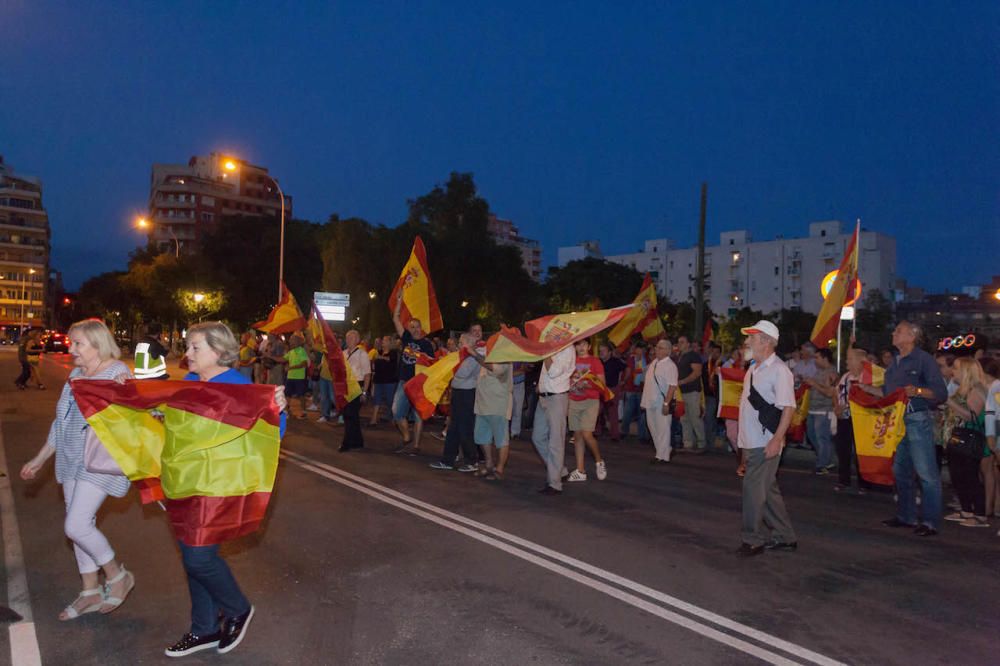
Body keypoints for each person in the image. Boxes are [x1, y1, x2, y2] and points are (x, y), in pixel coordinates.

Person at [160, 321, 287, 656]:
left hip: (218, 487)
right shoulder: (189, 382)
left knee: (199, 558)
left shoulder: (237, 385)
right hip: (187, 482)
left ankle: (237, 608)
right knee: (191, 556)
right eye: (188, 347)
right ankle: (204, 629)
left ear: (217, 351)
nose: (187, 354)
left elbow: (272, 434)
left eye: (195, 347)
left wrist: (278, 409)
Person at [20, 319, 135, 620]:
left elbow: (134, 411)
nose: (72, 350)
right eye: (72, 343)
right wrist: (40, 458)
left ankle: (117, 575)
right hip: (70, 457)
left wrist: (129, 395)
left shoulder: (117, 372)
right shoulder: (75, 375)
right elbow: (62, 421)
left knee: (76, 525)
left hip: (99, 459)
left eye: (78, 344)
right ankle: (89, 591)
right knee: (80, 525)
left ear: (97, 344)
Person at [735, 320, 797, 557]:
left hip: (765, 442)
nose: (747, 341)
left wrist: (776, 440)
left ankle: (752, 539)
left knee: (753, 490)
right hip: (753, 441)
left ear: (766, 342)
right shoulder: (753, 369)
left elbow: (788, 408)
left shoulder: (779, 370)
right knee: (766, 490)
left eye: (752, 337)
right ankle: (785, 536)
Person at [881, 321, 948, 537]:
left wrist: (917, 390)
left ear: (912, 336)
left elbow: (941, 393)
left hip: (917, 419)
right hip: (898, 421)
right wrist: (866, 390)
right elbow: (887, 394)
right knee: (900, 472)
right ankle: (906, 515)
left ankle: (929, 521)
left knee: (926, 473)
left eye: (898, 331)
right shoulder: (894, 364)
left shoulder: (923, 360)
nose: (893, 333)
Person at [943, 357, 989, 528]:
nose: (952, 371)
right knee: (958, 476)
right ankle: (966, 510)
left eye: (955, 367)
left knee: (970, 476)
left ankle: (979, 515)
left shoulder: (976, 390)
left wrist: (949, 402)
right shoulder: (961, 390)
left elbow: (971, 416)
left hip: (970, 438)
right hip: (959, 437)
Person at [431, 333, 481, 471]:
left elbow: (461, 373)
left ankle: (471, 461)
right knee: (454, 428)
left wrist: (448, 363)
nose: (458, 345)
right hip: (459, 393)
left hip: (467, 394)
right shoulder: (461, 356)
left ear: (469, 344)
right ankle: (448, 460)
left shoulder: (473, 357)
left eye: (461, 343)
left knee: (465, 428)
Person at [391, 296, 435, 454]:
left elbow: (431, 364)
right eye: (412, 327)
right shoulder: (406, 338)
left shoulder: (427, 344)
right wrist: (399, 302)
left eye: (417, 326)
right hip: (404, 382)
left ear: (421, 327)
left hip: (419, 384)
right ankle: (406, 437)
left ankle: (415, 446)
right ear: (409, 329)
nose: (415, 329)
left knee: (418, 415)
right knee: (396, 412)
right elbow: (395, 318)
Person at [833, 348, 879, 493]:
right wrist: (837, 407)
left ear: (861, 361)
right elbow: (836, 392)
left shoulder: (870, 378)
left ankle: (864, 483)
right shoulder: (846, 377)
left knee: (861, 452)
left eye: (850, 359)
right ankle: (843, 480)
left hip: (863, 420)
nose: (847, 362)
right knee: (843, 450)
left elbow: (877, 397)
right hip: (845, 417)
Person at [532, 342, 576, 495]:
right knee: (537, 437)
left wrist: (546, 353)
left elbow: (554, 371)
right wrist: (540, 385)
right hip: (543, 397)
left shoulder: (568, 349)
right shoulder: (551, 347)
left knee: (555, 442)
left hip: (557, 398)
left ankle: (555, 484)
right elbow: (546, 373)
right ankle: (560, 470)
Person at [565, 338, 608, 482]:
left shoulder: (595, 361)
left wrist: (587, 386)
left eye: (584, 344)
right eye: (578, 345)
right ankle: (580, 470)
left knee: (587, 433)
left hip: (590, 401)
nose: (581, 347)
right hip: (573, 400)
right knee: (577, 435)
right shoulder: (571, 361)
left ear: (589, 346)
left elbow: (602, 384)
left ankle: (599, 461)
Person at [472, 351, 513, 480]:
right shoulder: (487, 354)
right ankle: (489, 465)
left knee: (501, 439)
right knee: (482, 437)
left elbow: (495, 369)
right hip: (482, 404)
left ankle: (499, 469)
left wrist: (474, 355)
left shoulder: (505, 356)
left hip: (499, 405)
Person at [642, 339, 678, 464]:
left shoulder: (670, 365)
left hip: (661, 402)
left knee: (663, 429)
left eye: (660, 348)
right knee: (653, 428)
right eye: (657, 347)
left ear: (668, 351)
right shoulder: (654, 362)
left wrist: (666, 403)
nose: (657, 349)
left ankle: (663, 456)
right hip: (650, 401)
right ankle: (662, 451)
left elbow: (672, 386)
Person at [805, 348, 837, 475]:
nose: (815, 360)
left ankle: (823, 464)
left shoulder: (832, 372)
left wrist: (814, 384)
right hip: (813, 409)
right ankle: (826, 459)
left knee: (821, 438)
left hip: (824, 410)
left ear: (825, 358)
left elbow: (830, 393)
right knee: (812, 436)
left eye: (817, 357)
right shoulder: (819, 371)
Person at [339, 329, 372, 452]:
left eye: (352, 338)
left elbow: (367, 374)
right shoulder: (343, 353)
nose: (349, 340)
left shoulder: (362, 354)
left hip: (357, 385)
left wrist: (364, 391)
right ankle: (358, 441)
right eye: (348, 338)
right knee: (352, 416)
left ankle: (346, 443)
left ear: (357, 340)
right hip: (346, 386)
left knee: (349, 414)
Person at [676, 335, 706, 453]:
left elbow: (697, 373)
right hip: (681, 392)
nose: (679, 344)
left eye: (682, 342)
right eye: (678, 342)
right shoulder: (680, 356)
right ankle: (687, 444)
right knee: (684, 419)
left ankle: (701, 444)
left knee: (695, 418)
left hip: (693, 391)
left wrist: (682, 381)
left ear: (688, 344)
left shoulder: (694, 355)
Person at [597, 343, 625, 441]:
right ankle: (597, 431)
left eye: (603, 350)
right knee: (597, 411)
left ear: (609, 352)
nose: (601, 352)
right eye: (600, 350)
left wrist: (622, 381)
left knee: (613, 412)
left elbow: (627, 368)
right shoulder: (597, 362)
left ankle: (615, 435)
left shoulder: (616, 361)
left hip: (612, 389)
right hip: (600, 389)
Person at [621, 343, 649, 440]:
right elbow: (628, 371)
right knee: (628, 412)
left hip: (643, 390)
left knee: (642, 414)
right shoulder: (631, 359)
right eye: (637, 349)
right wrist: (624, 381)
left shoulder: (648, 359)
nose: (639, 352)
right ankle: (624, 431)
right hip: (631, 389)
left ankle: (642, 436)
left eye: (641, 350)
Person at [369, 335, 399, 427]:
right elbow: (375, 365)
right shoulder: (379, 351)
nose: (382, 342)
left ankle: (394, 417)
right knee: (376, 400)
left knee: (390, 400)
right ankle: (373, 419)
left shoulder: (393, 352)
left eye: (385, 340)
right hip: (378, 380)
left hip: (389, 381)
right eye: (383, 340)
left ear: (390, 342)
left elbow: (391, 360)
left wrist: (380, 358)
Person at [283, 334, 309, 419]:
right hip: (290, 377)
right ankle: (286, 411)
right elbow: (282, 359)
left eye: (292, 340)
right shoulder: (291, 351)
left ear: (297, 341)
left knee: (301, 395)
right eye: (290, 340)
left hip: (299, 378)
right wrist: (269, 356)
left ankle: (304, 412)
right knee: (287, 394)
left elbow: (304, 364)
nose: (290, 341)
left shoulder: (301, 351)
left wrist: (291, 367)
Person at [510, 362, 527, 439]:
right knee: (505, 409)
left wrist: (510, 373)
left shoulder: (520, 351)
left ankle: (515, 432)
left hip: (518, 383)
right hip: (506, 383)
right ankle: (502, 431)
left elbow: (524, 369)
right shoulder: (505, 351)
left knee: (517, 409)